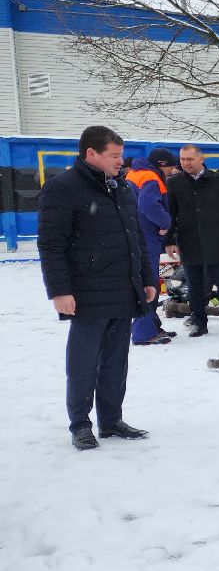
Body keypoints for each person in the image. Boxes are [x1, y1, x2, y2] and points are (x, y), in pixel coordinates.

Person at [37, 125, 157, 449]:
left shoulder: (123, 189)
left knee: (116, 364)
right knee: (83, 364)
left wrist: (147, 279)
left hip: (123, 290)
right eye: (114, 155)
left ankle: (111, 420)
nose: (121, 161)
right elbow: (51, 244)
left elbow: (138, 242)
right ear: (91, 153)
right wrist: (60, 291)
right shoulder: (63, 189)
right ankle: (80, 425)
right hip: (86, 295)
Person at [166, 145, 219, 337]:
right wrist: (169, 241)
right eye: (183, 159)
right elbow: (171, 213)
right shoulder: (175, 182)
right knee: (195, 285)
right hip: (189, 240)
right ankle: (199, 323)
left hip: (216, 240)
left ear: (201, 159)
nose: (185, 163)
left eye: (189, 159)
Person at [127, 147, 178, 346]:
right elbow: (149, 205)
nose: (172, 172)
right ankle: (144, 332)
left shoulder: (134, 174)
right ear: (162, 165)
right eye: (171, 167)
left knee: (148, 281)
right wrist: (166, 223)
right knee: (148, 283)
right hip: (146, 235)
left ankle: (152, 325)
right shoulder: (151, 177)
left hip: (136, 232)